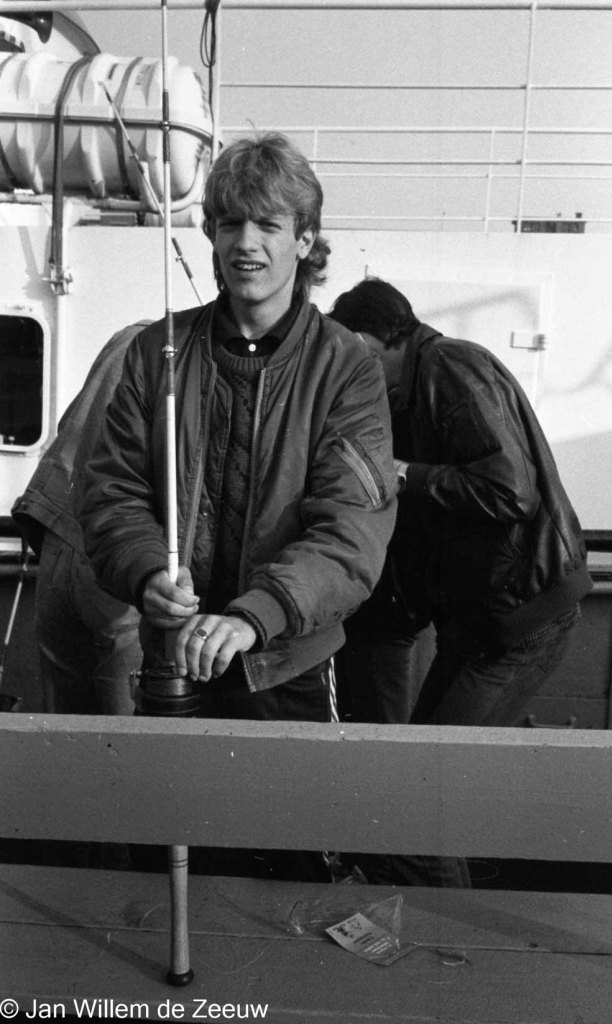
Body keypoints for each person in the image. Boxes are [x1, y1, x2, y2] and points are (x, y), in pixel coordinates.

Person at [78, 133, 397, 880]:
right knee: (167, 867)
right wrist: (146, 571)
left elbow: (352, 530)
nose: (245, 243)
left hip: (285, 673)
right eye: (230, 223)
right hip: (172, 666)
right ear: (212, 233)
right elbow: (111, 491)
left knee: (291, 873)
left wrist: (256, 616)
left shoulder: (346, 367)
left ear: (305, 240)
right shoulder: (158, 351)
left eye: (268, 225)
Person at [329, 277, 592, 729]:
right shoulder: (421, 380)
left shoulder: (448, 364)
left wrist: (405, 474)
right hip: (486, 620)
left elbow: (510, 491)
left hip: (520, 618)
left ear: (371, 339)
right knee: (423, 753)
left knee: (436, 759)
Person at [11, 322, 148, 716]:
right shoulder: (188, 356)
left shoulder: (133, 334)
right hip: (120, 560)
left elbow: (71, 425)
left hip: (57, 536)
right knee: (129, 738)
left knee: (64, 731)